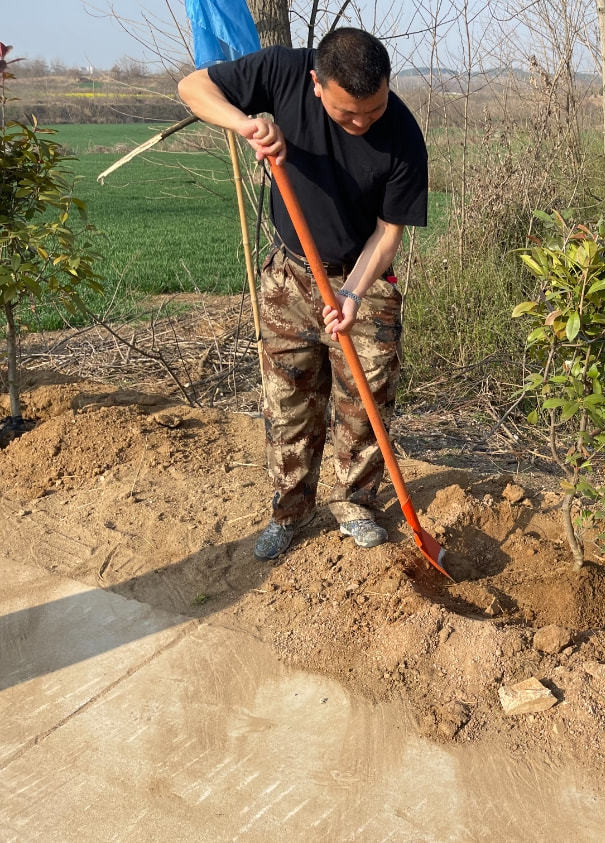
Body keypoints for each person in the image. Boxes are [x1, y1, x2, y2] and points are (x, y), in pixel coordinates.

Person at [178, 28, 428, 560]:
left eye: (374, 108)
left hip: (361, 274)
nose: (362, 123)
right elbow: (192, 88)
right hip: (288, 275)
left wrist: (355, 295)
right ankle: (290, 509)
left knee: (365, 402)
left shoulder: (403, 135)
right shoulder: (281, 72)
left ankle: (357, 502)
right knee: (287, 399)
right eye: (348, 115)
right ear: (317, 84)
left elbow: (388, 234)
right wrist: (246, 124)